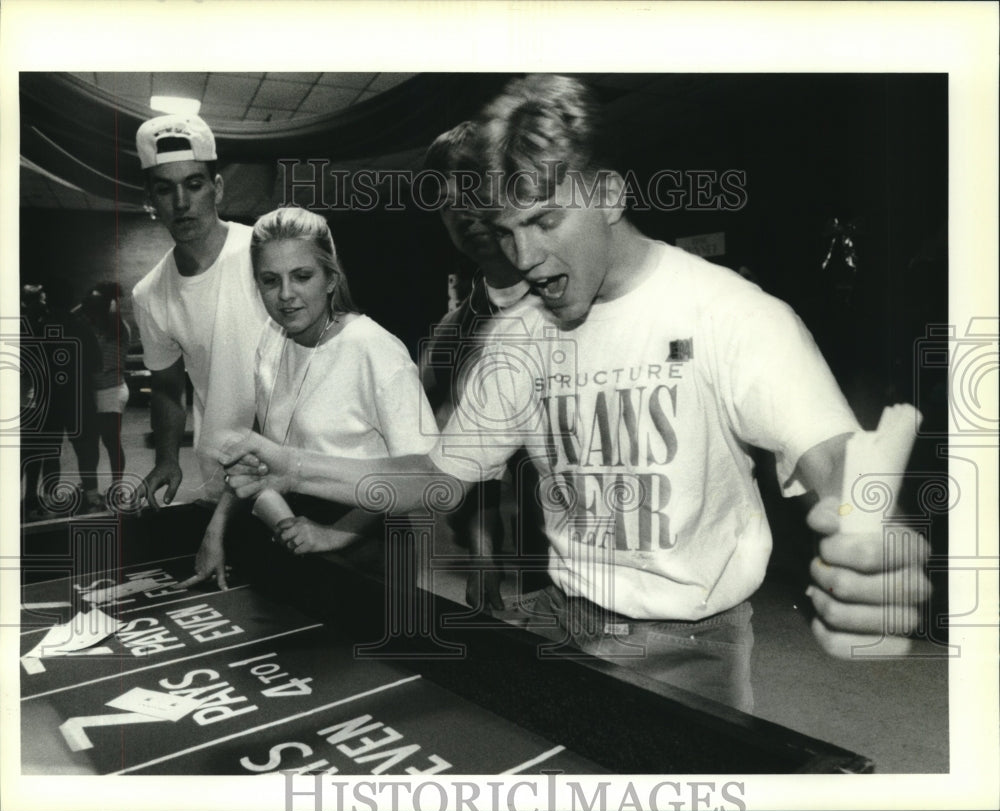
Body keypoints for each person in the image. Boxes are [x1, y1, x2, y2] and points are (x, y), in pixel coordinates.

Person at [219, 76, 931, 712]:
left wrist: (882, 547)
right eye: (507, 229)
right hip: (561, 618)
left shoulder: (734, 315)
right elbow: (438, 481)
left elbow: (836, 463)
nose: (524, 257)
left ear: (610, 194)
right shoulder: (516, 337)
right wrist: (292, 466)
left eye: (545, 220)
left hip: (690, 643)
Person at [180, 206, 436, 590]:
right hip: (295, 528)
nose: (286, 295)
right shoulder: (272, 337)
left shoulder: (374, 349)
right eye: (270, 280)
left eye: (302, 276)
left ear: (331, 278)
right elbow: (260, 454)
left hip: (371, 544)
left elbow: (427, 478)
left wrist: (335, 535)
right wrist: (215, 530)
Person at [419, 121, 549, 611]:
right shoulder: (456, 331)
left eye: (472, 187)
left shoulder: (574, 296)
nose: (460, 210)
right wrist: (482, 558)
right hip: (529, 577)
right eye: (444, 199)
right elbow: (470, 466)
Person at [131, 113, 268, 510]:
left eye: (194, 184)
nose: (181, 203)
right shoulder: (150, 294)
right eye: (165, 189)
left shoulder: (266, 253)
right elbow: (167, 387)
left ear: (217, 188)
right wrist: (167, 458)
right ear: (151, 200)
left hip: (301, 456)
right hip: (223, 468)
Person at [21, 283, 103, 518]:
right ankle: (91, 498)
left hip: (49, 400)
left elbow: (30, 366)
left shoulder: (40, 328)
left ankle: (50, 499)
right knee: (86, 450)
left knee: (50, 452)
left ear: (50, 302)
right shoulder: (82, 327)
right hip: (79, 399)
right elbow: (96, 365)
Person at [81, 282, 131, 505]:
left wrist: (106, 301)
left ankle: (117, 487)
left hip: (111, 391)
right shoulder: (93, 327)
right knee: (92, 444)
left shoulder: (117, 327)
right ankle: (92, 487)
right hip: (94, 392)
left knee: (111, 441)